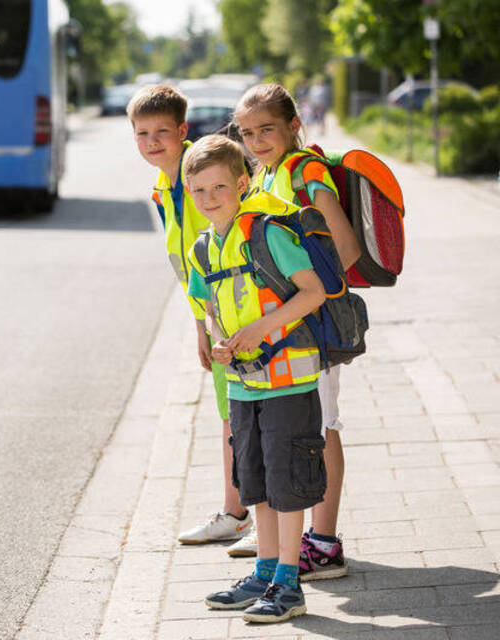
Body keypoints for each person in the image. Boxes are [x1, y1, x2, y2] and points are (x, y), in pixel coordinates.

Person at [183, 135, 327, 623]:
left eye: (218, 187)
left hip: (289, 381)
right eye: (198, 190)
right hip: (244, 383)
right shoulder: (204, 248)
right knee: (256, 484)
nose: (208, 199)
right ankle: (265, 571)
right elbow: (208, 308)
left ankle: (289, 583)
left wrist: (261, 329)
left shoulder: (267, 234)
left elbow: (314, 292)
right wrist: (219, 339)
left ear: (242, 184)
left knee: (288, 484)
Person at [233, 82, 360, 581]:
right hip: (287, 331)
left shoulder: (306, 173)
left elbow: (343, 251)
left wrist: (301, 307)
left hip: (313, 327)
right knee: (303, 429)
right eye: (247, 133)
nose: (257, 141)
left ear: (294, 126)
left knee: (323, 427)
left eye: (267, 129)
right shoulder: (266, 173)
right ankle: (304, 538)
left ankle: (324, 544)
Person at [127, 84, 253, 552]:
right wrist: (200, 326)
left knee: (247, 415)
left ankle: (259, 516)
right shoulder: (163, 189)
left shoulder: (200, 177)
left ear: (183, 131)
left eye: (162, 131)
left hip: (245, 315)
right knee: (231, 415)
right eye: (142, 133)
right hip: (216, 318)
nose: (152, 141)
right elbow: (190, 268)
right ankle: (235, 511)